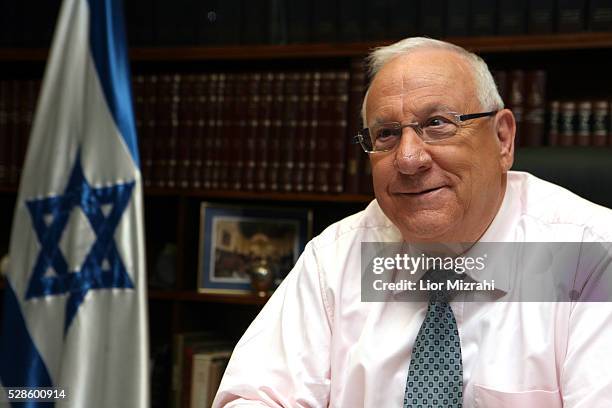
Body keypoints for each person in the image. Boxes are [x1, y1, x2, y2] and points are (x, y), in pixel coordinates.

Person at [213, 37, 612, 407]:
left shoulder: (591, 256)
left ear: (503, 139)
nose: (408, 158)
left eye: (437, 124)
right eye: (386, 134)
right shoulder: (337, 257)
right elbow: (256, 396)